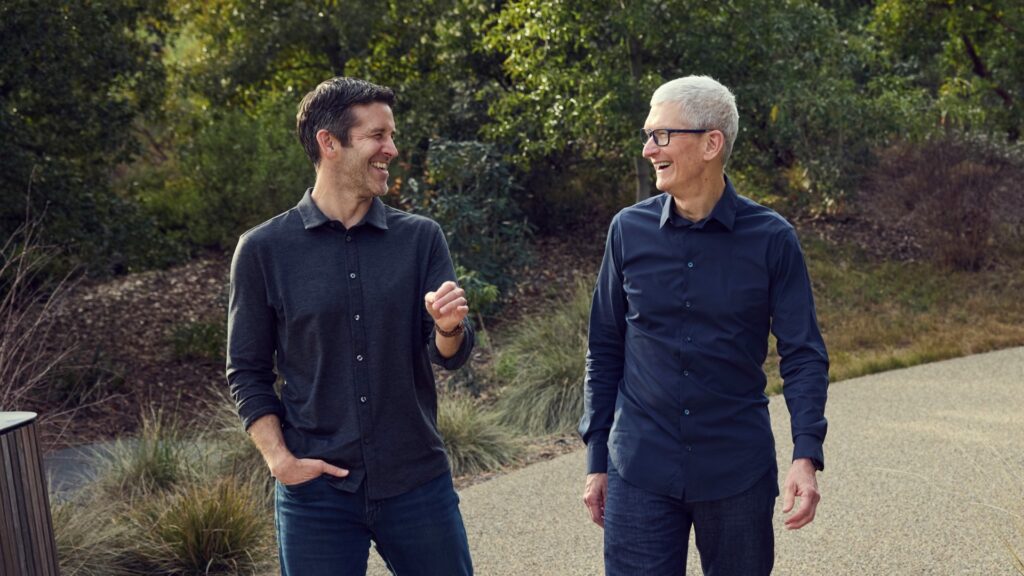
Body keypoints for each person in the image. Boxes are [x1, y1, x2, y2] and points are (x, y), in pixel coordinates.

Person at [579, 75, 829, 575]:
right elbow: (604, 349)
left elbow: (803, 354)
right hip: (639, 468)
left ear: (712, 143)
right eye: (648, 135)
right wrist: (596, 460)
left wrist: (806, 456)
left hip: (737, 472)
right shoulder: (627, 230)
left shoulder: (772, 239)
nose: (649, 149)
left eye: (662, 135)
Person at [226, 77, 475, 576]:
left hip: (416, 482)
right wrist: (280, 461)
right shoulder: (262, 250)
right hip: (316, 495)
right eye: (377, 136)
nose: (392, 149)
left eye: (391, 135)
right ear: (329, 142)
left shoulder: (420, 238)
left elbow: (448, 354)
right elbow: (247, 371)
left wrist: (448, 328)